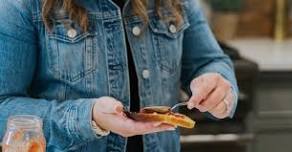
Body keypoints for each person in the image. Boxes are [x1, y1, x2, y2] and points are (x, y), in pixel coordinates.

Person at [0, 0, 238, 151]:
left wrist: (217, 83)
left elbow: (210, 62)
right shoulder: (21, 5)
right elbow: (4, 106)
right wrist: (89, 116)